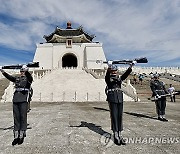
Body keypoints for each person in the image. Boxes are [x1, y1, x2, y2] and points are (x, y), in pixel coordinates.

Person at [0, 65, 33, 145]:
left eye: (23, 71)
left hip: (23, 100)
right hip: (16, 100)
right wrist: (3, 71)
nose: (21, 72)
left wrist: (27, 71)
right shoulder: (17, 78)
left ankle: (21, 135)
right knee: (16, 117)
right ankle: (16, 136)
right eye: (21, 71)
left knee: (23, 117)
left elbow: (30, 78)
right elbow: (10, 78)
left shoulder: (28, 79)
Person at [105, 61, 135, 145]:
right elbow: (107, 76)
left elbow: (125, 75)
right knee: (114, 116)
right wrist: (109, 67)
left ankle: (120, 134)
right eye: (113, 71)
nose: (114, 72)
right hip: (112, 98)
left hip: (119, 98)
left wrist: (130, 67)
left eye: (115, 71)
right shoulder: (108, 78)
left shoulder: (119, 78)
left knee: (120, 116)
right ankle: (115, 134)